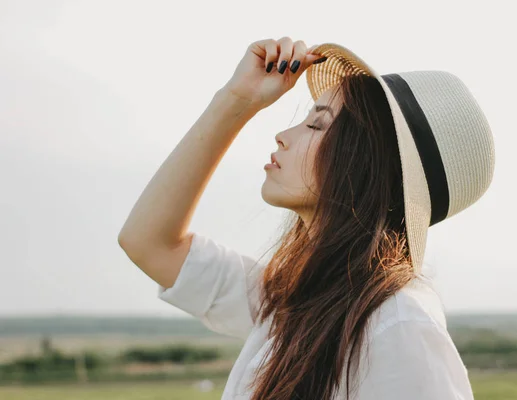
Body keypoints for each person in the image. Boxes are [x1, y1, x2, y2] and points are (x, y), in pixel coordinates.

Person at [118, 37, 495, 400]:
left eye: (317, 124)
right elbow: (148, 242)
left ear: (365, 165)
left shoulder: (396, 325)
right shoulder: (293, 300)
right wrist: (236, 100)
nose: (282, 135)